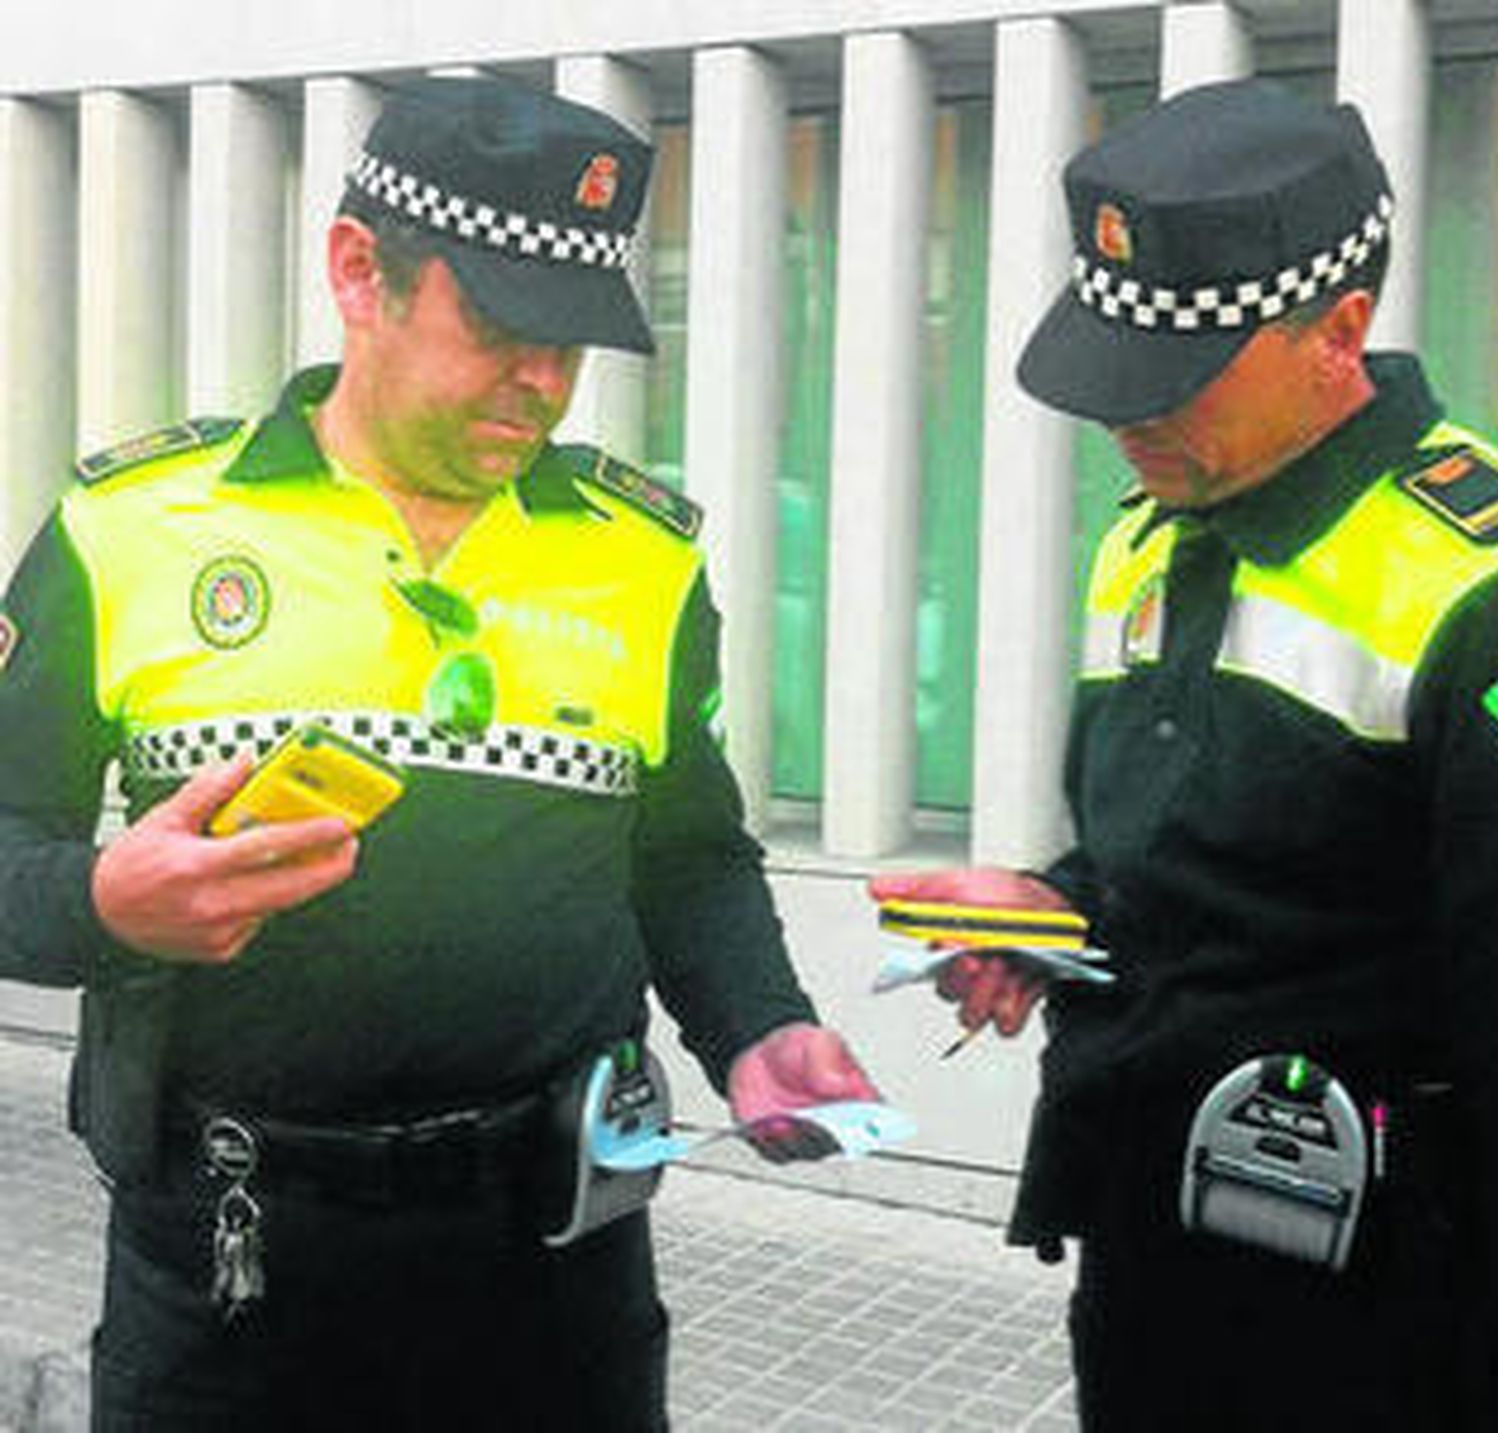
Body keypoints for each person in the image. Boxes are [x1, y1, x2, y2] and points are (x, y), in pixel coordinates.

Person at [0, 75, 879, 1431]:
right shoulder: (130, 530)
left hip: (559, 1273)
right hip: (234, 1270)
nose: (543, 381)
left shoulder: (639, 560)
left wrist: (758, 1023)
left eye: (574, 340)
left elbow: (688, 854)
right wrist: (102, 904)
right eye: (505, 325)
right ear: (362, 271)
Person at [871, 78, 1498, 1432]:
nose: (1123, 420)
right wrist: (1062, 903)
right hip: (1157, 1264)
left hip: (1392, 1318)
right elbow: (1204, 863)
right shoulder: (1149, 538)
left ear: (1339, 330)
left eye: (1176, 378)